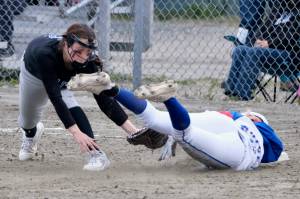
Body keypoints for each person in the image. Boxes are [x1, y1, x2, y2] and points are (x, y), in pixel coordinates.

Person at [67, 73, 287, 171]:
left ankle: (109, 88)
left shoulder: (247, 118)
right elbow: (278, 153)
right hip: (240, 148)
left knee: (155, 118)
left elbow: (252, 118)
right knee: (186, 134)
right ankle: (169, 99)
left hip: (230, 117)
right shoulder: (267, 143)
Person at [18, 23, 157, 171]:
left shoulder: (88, 59)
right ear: (66, 44)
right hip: (34, 75)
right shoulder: (44, 54)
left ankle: (95, 155)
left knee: (72, 102)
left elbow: (104, 99)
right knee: (28, 120)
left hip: (63, 77)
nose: (82, 58)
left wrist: (133, 131)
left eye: (87, 52)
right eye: (78, 51)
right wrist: (76, 133)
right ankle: (31, 133)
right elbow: (55, 98)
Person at [223, 0, 300, 100]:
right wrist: (259, 38)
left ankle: (243, 94)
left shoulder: (297, 14)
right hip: (270, 53)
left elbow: (291, 37)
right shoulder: (279, 10)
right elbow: (263, 28)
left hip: (290, 56)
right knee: (240, 50)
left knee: (253, 52)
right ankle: (232, 91)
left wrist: (269, 43)